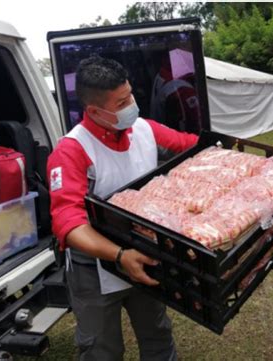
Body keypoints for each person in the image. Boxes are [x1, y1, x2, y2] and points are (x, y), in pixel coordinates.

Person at [47, 56, 198, 361]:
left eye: (130, 95)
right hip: (95, 268)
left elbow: (189, 144)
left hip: (143, 254)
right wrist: (119, 255)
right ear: (93, 111)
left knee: (157, 334)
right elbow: (69, 223)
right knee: (102, 349)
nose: (132, 104)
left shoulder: (143, 129)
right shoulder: (71, 150)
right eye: (121, 102)